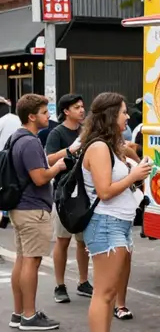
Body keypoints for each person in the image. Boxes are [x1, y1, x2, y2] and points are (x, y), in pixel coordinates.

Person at [81, 93, 150, 332]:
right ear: (110, 116)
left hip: (115, 223)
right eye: (123, 112)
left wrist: (134, 173)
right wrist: (134, 176)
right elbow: (105, 191)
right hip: (105, 224)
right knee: (104, 293)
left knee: (108, 294)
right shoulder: (98, 148)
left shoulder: (108, 146)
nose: (128, 117)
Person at [7, 94, 66, 332]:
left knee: (22, 260)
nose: (48, 115)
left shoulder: (16, 138)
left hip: (20, 206)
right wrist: (57, 167)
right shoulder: (30, 142)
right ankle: (30, 316)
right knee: (31, 261)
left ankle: (19, 312)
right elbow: (39, 177)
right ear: (31, 116)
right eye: (44, 112)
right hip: (32, 209)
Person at [46, 93, 93, 304]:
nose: (82, 110)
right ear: (66, 111)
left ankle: (84, 282)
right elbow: (47, 159)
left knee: (83, 242)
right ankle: (60, 285)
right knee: (63, 241)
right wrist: (69, 149)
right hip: (64, 194)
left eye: (82, 107)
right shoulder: (56, 133)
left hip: (84, 194)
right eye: (77, 107)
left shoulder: (86, 132)